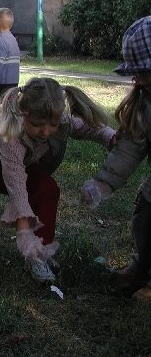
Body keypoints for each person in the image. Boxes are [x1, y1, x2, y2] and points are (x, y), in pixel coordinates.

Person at [0, 77, 116, 283]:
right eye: (37, 125)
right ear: (23, 113)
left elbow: (89, 128)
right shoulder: (10, 131)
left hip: (24, 167)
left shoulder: (59, 121)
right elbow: (16, 183)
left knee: (47, 188)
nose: (46, 131)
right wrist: (24, 232)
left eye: (52, 124)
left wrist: (110, 137)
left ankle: (40, 252)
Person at [81, 16, 151, 301]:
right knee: (145, 216)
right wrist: (102, 184)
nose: (136, 79)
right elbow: (130, 149)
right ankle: (142, 267)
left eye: (143, 73)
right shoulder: (144, 103)